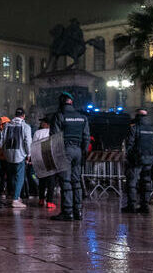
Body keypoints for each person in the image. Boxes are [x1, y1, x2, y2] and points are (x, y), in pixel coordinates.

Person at [50, 92, 90, 221]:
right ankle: (78, 211)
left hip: (65, 150)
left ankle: (67, 212)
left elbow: (54, 137)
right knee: (76, 181)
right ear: (71, 102)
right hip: (78, 150)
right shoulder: (82, 117)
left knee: (65, 181)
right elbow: (86, 137)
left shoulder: (59, 116)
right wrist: (83, 152)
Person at [122, 109, 153, 213]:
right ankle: (145, 206)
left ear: (137, 116)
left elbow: (129, 145)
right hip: (149, 159)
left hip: (136, 160)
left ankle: (132, 206)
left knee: (132, 183)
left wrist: (129, 157)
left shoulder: (134, 128)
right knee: (146, 182)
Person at [1, 108, 32, 209]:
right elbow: (28, 141)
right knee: (20, 177)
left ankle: (16, 196)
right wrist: (29, 154)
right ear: (23, 116)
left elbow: (1, 140)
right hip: (20, 155)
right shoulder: (25, 126)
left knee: (12, 176)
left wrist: (4, 151)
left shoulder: (7, 125)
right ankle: (15, 199)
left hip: (8, 155)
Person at [34, 117, 56, 208]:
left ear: (47, 124)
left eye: (43, 122)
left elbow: (33, 146)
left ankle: (41, 200)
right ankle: (50, 202)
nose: (41, 124)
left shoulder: (37, 133)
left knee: (42, 180)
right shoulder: (54, 132)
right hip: (50, 159)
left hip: (40, 159)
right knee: (51, 181)